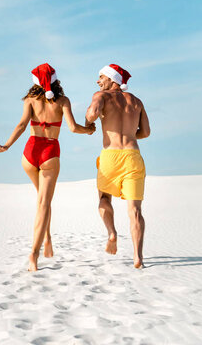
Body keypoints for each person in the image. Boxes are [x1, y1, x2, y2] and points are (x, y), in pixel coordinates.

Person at [0, 63, 95, 271]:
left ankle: (47, 238)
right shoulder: (63, 101)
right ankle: (34, 254)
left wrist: (6, 146)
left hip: (29, 153)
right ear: (55, 80)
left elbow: (21, 125)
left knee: (41, 201)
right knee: (44, 204)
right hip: (49, 153)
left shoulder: (30, 101)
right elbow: (73, 128)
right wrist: (89, 130)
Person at [84, 64, 150, 268]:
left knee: (104, 199)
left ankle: (112, 233)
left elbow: (92, 115)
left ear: (112, 79)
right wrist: (129, 135)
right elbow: (145, 132)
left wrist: (89, 119)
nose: (98, 81)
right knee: (135, 210)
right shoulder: (137, 101)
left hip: (110, 156)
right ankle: (138, 256)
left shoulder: (101, 95)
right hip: (132, 155)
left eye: (101, 76)